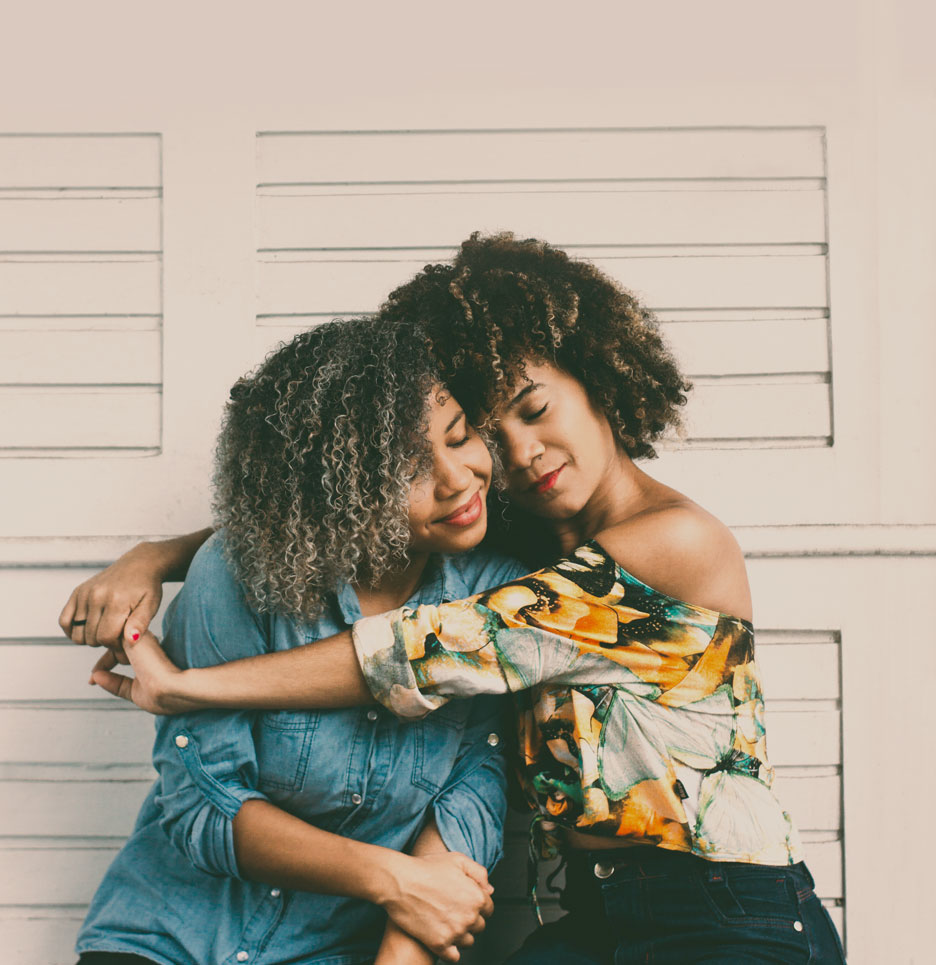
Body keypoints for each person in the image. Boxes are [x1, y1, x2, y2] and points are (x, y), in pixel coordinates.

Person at [68, 234, 846, 963]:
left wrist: (187, 687)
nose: (522, 452)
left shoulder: (673, 541)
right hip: (598, 919)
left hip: (728, 910)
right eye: (489, 432)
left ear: (596, 373)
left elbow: (434, 652)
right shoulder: (534, 551)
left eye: (536, 410)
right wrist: (158, 555)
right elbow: (330, 509)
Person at [68, 315, 531, 965]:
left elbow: (471, 793)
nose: (457, 479)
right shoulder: (236, 577)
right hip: (170, 935)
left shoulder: (503, 597)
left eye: (459, 437)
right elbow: (205, 806)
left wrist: (405, 943)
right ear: (341, 492)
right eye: (406, 472)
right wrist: (392, 880)